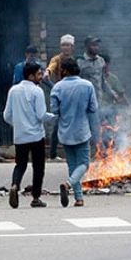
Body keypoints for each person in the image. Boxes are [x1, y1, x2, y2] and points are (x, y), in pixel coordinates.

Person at [3, 63, 55, 209]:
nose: (41, 77)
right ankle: (36, 198)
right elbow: (41, 115)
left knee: (20, 164)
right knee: (38, 167)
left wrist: (18, 124)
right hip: (36, 136)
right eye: (39, 74)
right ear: (31, 76)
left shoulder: (13, 90)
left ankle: (15, 185)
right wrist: (53, 117)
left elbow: (6, 115)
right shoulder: (36, 91)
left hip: (20, 136)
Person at [50, 58, 98, 208]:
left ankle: (79, 198)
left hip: (65, 132)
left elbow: (54, 111)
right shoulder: (87, 85)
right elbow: (93, 108)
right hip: (82, 131)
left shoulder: (57, 88)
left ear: (64, 70)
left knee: (72, 166)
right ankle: (69, 184)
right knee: (84, 163)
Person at [77, 36, 113, 152]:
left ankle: (99, 151)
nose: (96, 47)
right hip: (83, 103)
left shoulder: (101, 61)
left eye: (97, 45)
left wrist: (112, 93)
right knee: (85, 129)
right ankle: (90, 151)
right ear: (86, 46)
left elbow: (102, 81)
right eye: (93, 45)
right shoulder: (79, 61)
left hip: (97, 102)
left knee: (97, 128)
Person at [44, 34, 76, 161]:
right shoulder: (56, 59)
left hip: (73, 95)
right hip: (61, 96)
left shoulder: (74, 60)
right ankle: (52, 154)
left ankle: (73, 152)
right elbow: (50, 68)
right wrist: (48, 72)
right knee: (57, 124)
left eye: (68, 45)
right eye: (63, 45)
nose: (65, 47)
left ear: (72, 47)